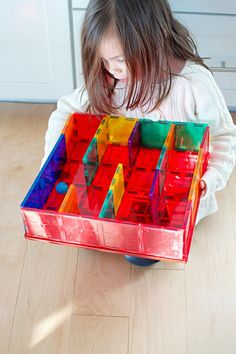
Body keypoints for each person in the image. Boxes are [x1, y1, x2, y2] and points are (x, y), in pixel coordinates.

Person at [41, 0, 236, 266]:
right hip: (126, 177)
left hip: (176, 186)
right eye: (104, 60)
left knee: (140, 253)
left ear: (153, 42)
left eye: (120, 61)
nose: (112, 70)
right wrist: (53, 159)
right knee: (82, 226)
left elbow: (225, 136)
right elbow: (65, 109)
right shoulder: (112, 79)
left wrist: (209, 180)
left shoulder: (193, 84)